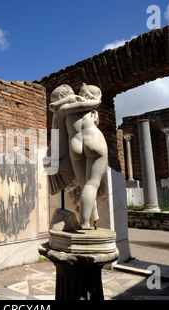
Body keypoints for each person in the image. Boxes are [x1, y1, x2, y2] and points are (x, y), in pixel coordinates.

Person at [47, 83, 108, 229]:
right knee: (91, 185)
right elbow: (95, 115)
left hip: (75, 145)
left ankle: (93, 219)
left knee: (84, 186)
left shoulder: (62, 111)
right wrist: (96, 100)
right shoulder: (89, 105)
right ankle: (84, 223)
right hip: (94, 141)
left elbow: (59, 135)